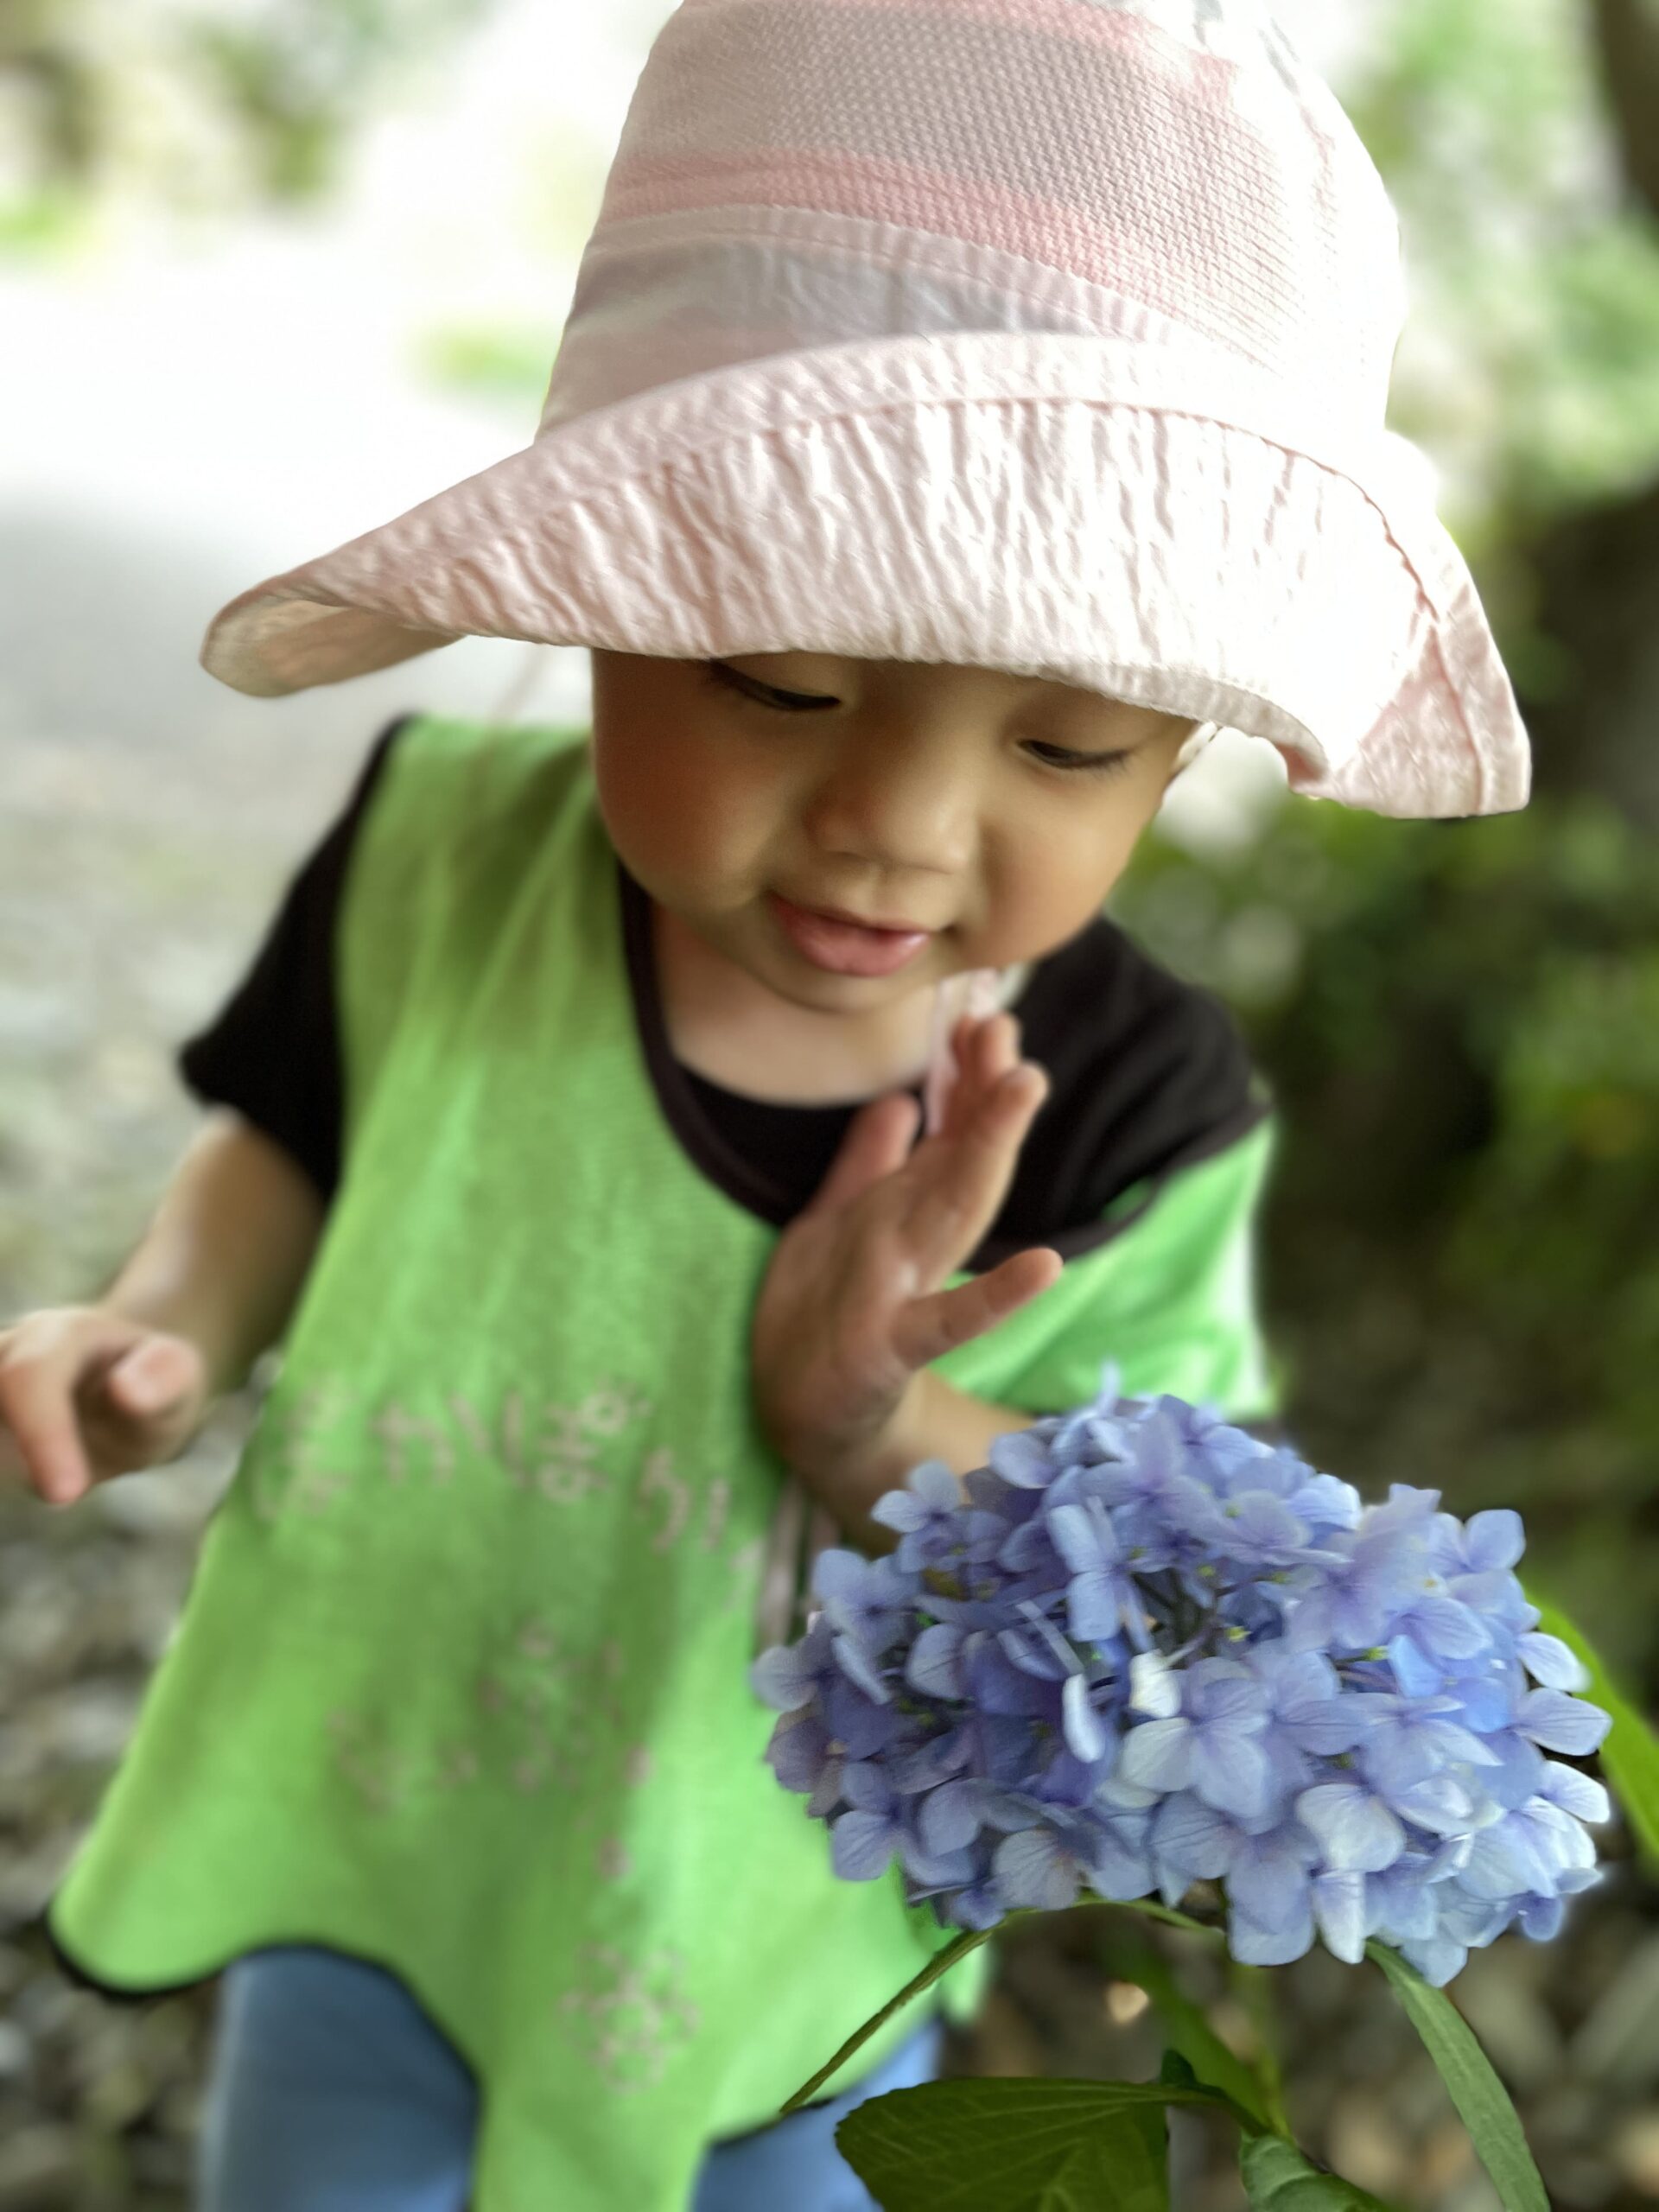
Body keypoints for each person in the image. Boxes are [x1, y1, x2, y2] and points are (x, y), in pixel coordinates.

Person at [0, 2, 1529, 2207]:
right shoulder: (442, 854)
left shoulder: (1141, 1102)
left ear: (1182, 744)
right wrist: (165, 1323)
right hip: (374, 1806)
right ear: (606, 597)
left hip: (780, 1948)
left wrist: (867, 1423)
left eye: (1068, 743)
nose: (895, 824)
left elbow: (1162, 1551)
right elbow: (298, 1138)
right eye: (784, 682)